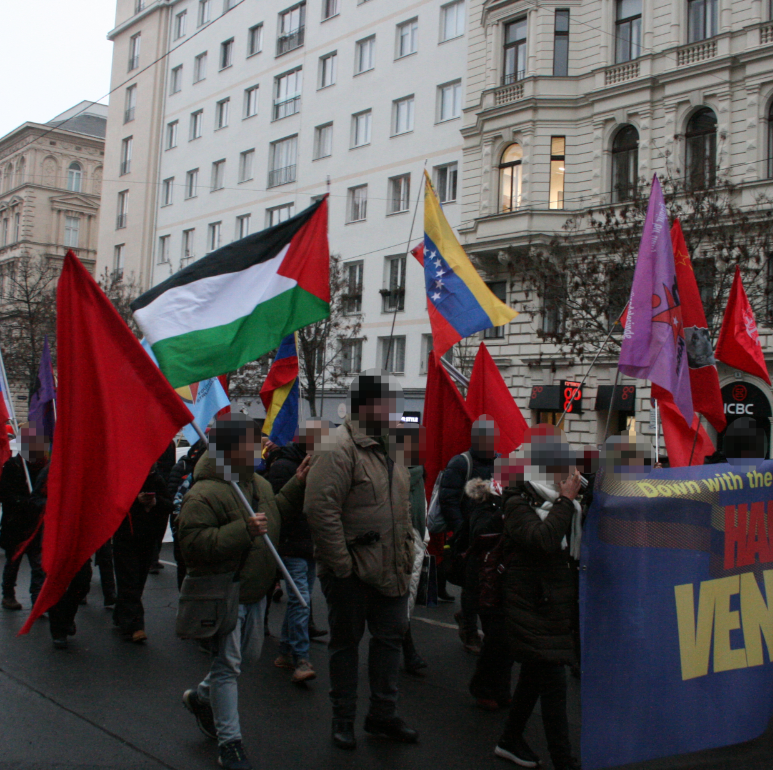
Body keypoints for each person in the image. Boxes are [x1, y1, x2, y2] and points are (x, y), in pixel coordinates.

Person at [178, 414, 309, 770]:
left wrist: (296, 485)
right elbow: (192, 545)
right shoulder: (203, 493)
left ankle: (201, 697)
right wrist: (243, 530)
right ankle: (230, 743)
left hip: (255, 592)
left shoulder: (258, 484)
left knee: (243, 660)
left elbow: (274, 515)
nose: (258, 448)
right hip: (225, 593)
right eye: (251, 443)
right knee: (227, 667)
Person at [305, 370, 418, 751]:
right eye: (389, 404)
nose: (396, 412)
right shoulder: (337, 447)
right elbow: (320, 510)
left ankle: (383, 715)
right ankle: (343, 718)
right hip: (350, 574)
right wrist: (342, 567)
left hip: (392, 570)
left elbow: (402, 508)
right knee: (345, 645)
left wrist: (406, 554)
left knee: (390, 642)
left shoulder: (393, 449)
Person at [495, 428, 582, 770]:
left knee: (534, 677)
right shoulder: (517, 500)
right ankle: (564, 760)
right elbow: (543, 540)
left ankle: (509, 739)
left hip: (551, 604)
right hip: (530, 604)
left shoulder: (559, 498)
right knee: (554, 682)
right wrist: (566, 502)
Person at [268, 420, 332, 685]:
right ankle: (301, 658)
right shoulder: (283, 467)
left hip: (309, 544)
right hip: (291, 544)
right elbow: (277, 510)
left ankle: (285, 651)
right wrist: (300, 483)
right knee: (302, 600)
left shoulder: (320, 465)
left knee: (299, 600)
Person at [439, 416, 499, 654]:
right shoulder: (460, 463)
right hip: (469, 538)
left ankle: (470, 618)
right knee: (472, 585)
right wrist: (462, 530)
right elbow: (448, 500)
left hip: (494, 536)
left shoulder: (502, 463)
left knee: (490, 585)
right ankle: (470, 631)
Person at [112, 462, 172, 643]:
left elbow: (169, 504)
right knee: (129, 580)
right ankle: (134, 626)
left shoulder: (156, 479)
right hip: (125, 537)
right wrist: (135, 501)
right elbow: (114, 504)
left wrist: (155, 502)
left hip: (147, 538)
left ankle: (121, 615)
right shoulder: (123, 479)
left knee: (138, 581)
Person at [0, 423, 49, 611]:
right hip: (16, 524)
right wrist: (27, 502)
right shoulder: (13, 465)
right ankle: (8, 594)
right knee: (13, 562)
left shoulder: (42, 467)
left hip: (36, 524)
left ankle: (38, 599)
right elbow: (6, 495)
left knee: (38, 564)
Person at [395, 423, 428, 675]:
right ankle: (406, 651)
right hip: (401, 541)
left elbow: (421, 510)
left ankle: (403, 647)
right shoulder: (396, 473)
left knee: (407, 595)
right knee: (402, 596)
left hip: (415, 539)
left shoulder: (417, 473)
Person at [168, 439, 207, 590]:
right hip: (183, 524)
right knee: (183, 564)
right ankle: (184, 594)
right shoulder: (183, 468)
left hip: (194, 525)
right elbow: (173, 498)